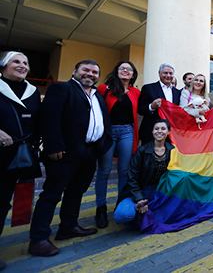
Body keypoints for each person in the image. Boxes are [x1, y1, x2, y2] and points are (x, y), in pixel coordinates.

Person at [28, 60, 113, 257]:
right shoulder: (61, 89)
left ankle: (68, 227)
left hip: (90, 152)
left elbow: (103, 121)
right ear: (75, 71)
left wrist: (103, 144)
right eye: (86, 70)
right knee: (52, 194)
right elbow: (49, 119)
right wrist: (54, 145)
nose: (90, 74)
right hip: (64, 152)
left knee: (76, 191)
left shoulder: (97, 96)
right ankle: (39, 239)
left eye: (95, 72)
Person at [0, 52, 41, 269]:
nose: (22, 65)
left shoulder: (32, 92)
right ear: (3, 65)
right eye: (16, 61)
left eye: (25, 62)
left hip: (18, 156)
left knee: (2, 201)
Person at [95, 61, 140, 229]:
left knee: (124, 171)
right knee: (104, 171)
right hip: (108, 133)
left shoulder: (136, 92)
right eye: (122, 68)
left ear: (133, 74)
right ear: (117, 71)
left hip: (127, 133)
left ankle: (121, 204)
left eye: (129, 69)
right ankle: (100, 208)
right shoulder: (103, 89)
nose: (126, 71)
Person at [114, 119, 174, 229]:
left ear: (169, 132)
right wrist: (139, 199)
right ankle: (140, 214)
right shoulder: (142, 151)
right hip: (139, 191)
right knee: (122, 215)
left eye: (163, 129)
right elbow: (131, 178)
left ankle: (145, 215)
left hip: (160, 193)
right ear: (152, 132)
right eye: (156, 129)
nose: (159, 131)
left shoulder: (173, 151)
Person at [137, 63, 181, 144]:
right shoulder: (148, 88)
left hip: (170, 134)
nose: (168, 75)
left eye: (170, 73)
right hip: (151, 132)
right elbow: (140, 109)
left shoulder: (177, 92)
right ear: (159, 73)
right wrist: (151, 107)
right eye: (165, 73)